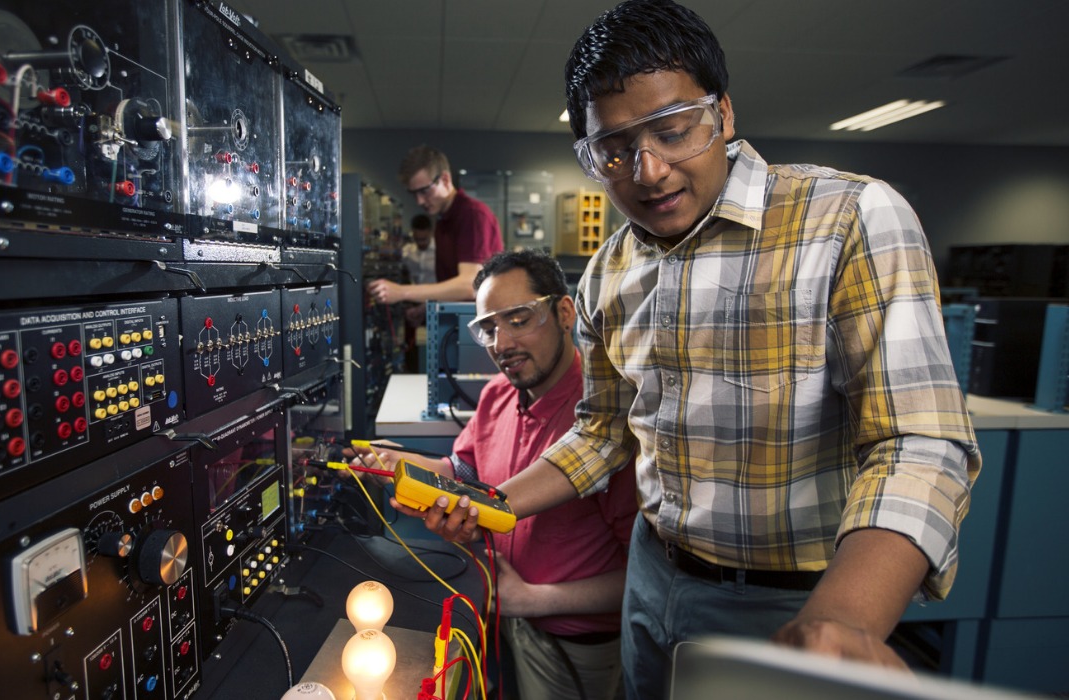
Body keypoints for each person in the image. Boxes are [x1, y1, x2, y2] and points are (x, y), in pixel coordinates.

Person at [391, 2, 982, 698]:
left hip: (795, 597)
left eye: (672, 133)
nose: (647, 171)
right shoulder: (609, 272)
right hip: (653, 573)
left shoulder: (849, 219)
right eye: (612, 151)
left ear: (723, 115)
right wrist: (491, 500)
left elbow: (919, 442)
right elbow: (603, 432)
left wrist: (847, 617)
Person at [359, 250, 637, 700]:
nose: (501, 343)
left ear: (564, 312)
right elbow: (466, 472)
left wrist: (532, 598)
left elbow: (642, 573)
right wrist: (402, 468)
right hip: (493, 612)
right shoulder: (497, 395)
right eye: (488, 328)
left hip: (570, 638)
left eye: (519, 319)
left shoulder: (603, 419)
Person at [367, 145, 503, 305]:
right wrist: (425, 308)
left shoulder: (472, 214)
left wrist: (402, 291)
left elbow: (470, 285)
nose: (419, 201)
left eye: (424, 191)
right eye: (414, 194)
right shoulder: (443, 220)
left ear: (445, 179)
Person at [401, 213, 437, 286]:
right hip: (415, 294)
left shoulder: (440, 251)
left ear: (431, 233)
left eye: (424, 239)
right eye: (417, 239)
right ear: (413, 234)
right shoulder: (408, 251)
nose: (421, 243)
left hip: (436, 294)